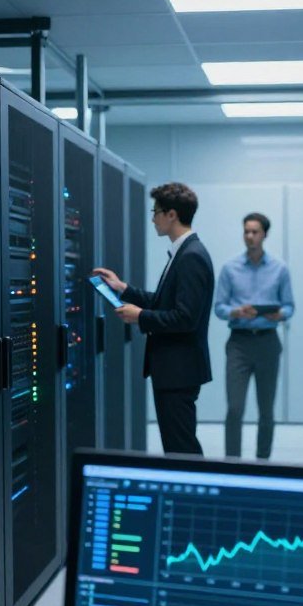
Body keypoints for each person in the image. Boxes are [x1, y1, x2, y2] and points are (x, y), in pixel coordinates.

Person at [92, 182, 214, 455]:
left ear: (172, 215)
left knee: (181, 447)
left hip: (179, 370)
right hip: (174, 369)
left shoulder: (191, 256)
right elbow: (166, 302)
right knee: (178, 444)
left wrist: (140, 317)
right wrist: (124, 289)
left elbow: (185, 318)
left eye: (156, 211)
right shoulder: (183, 252)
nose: (152, 218)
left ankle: (191, 495)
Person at [214, 212, 295, 459]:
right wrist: (237, 312)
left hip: (268, 342)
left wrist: (278, 314)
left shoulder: (280, 269)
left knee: (266, 409)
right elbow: (219, 308)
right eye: (246, 231)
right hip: (239, 343)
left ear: (265, 234)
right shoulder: (230, 268)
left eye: (255, 232)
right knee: (235, 408)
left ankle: (262, 461)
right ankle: (232, 462)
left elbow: (290, 306)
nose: (250, 236)